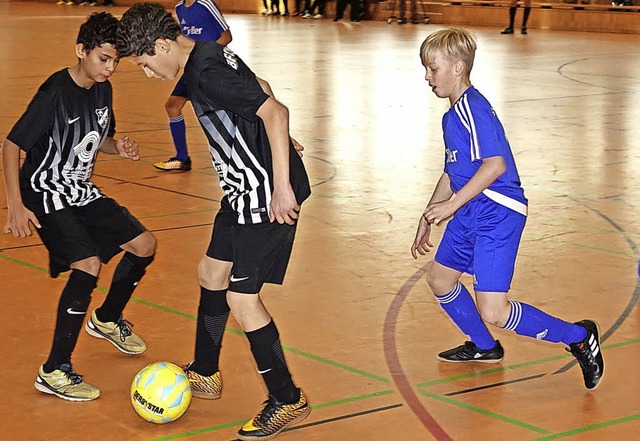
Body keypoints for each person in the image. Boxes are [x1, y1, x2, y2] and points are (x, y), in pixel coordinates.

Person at [116, 3, 311, 439]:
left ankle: (287, 398)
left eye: (147, 64)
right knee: (211, 271)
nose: (149, 74)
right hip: (241, 189)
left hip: (264, 193)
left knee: (243, 300)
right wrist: (275, 136)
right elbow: (259, 87)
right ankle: (205, 372)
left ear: (164, 44)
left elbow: (273, 113)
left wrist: (282, 184)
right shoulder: (202, 53)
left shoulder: (204, 71)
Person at [412, 28, 604, 390]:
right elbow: (452, 171)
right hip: (471, 209)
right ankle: (485, 348)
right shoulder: (451, 116)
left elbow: (495, 165)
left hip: (497, 212)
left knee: (494, 310)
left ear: (457, 67)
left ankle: (578, 337)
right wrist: (429, 214)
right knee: (439, 280)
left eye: (432, 69)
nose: (427, 76)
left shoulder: (474, 108)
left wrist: (452, 204)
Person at [2, 12, 156, 402]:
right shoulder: (55, 91)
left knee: (144, 246)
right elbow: (11, 146)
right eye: (103, 58)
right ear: (81, 51)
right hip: (44, 190)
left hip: (79, 188)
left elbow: (99, 136)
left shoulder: (103, 90)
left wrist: (115, 146)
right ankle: (54, 369)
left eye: (116, 61)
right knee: (87, 265)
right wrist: (15, 206)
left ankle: (106, 319)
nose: (110, 67)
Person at [154, 0, 232, 172]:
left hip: (211, 67)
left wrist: (204, 55)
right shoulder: (179, 9)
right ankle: (182, 159)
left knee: (227, 111)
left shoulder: (205, 5)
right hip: (192, 68)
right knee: (172, 106)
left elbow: (227, 36)